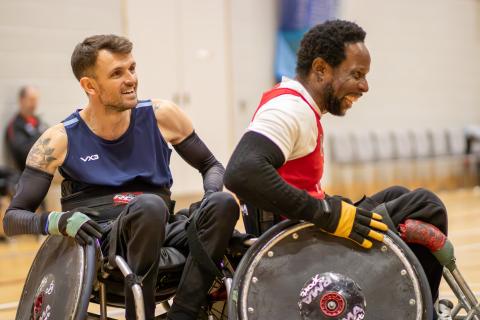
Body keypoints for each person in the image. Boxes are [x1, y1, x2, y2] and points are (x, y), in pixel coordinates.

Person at [3, 34, 239, 320]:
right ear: (89, 85)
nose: (131, 79)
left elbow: (211, 165)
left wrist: (211, 193)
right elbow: (13, 218)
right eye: (117, 73)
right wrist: (58, 221)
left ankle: (184, 314)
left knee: (224, 204)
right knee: (150, 206)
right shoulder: (58, 139)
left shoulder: (162, 115)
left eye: (132, 68)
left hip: (161, 226)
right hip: (103, 239)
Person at [224, 19, 448, 314]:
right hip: (304, 248)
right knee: (426, 205)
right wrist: (327, 214)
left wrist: (328, 207)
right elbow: (241, 172)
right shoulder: (290, 109)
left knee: (398, 193)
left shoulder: (296, 103)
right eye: (356, 74)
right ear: (321, 69)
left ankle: (418, 303)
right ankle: (422, 311)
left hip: (308, 233)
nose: (364, 86)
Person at [5, 85, 47, 171]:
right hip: (23, 175)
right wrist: (42, 139)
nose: (34, 103)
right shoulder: (14, 126)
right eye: (31, 99)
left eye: (36, 100)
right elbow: (22, 153)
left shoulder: (38, 121)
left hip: (41, 172)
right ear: (21, 100)